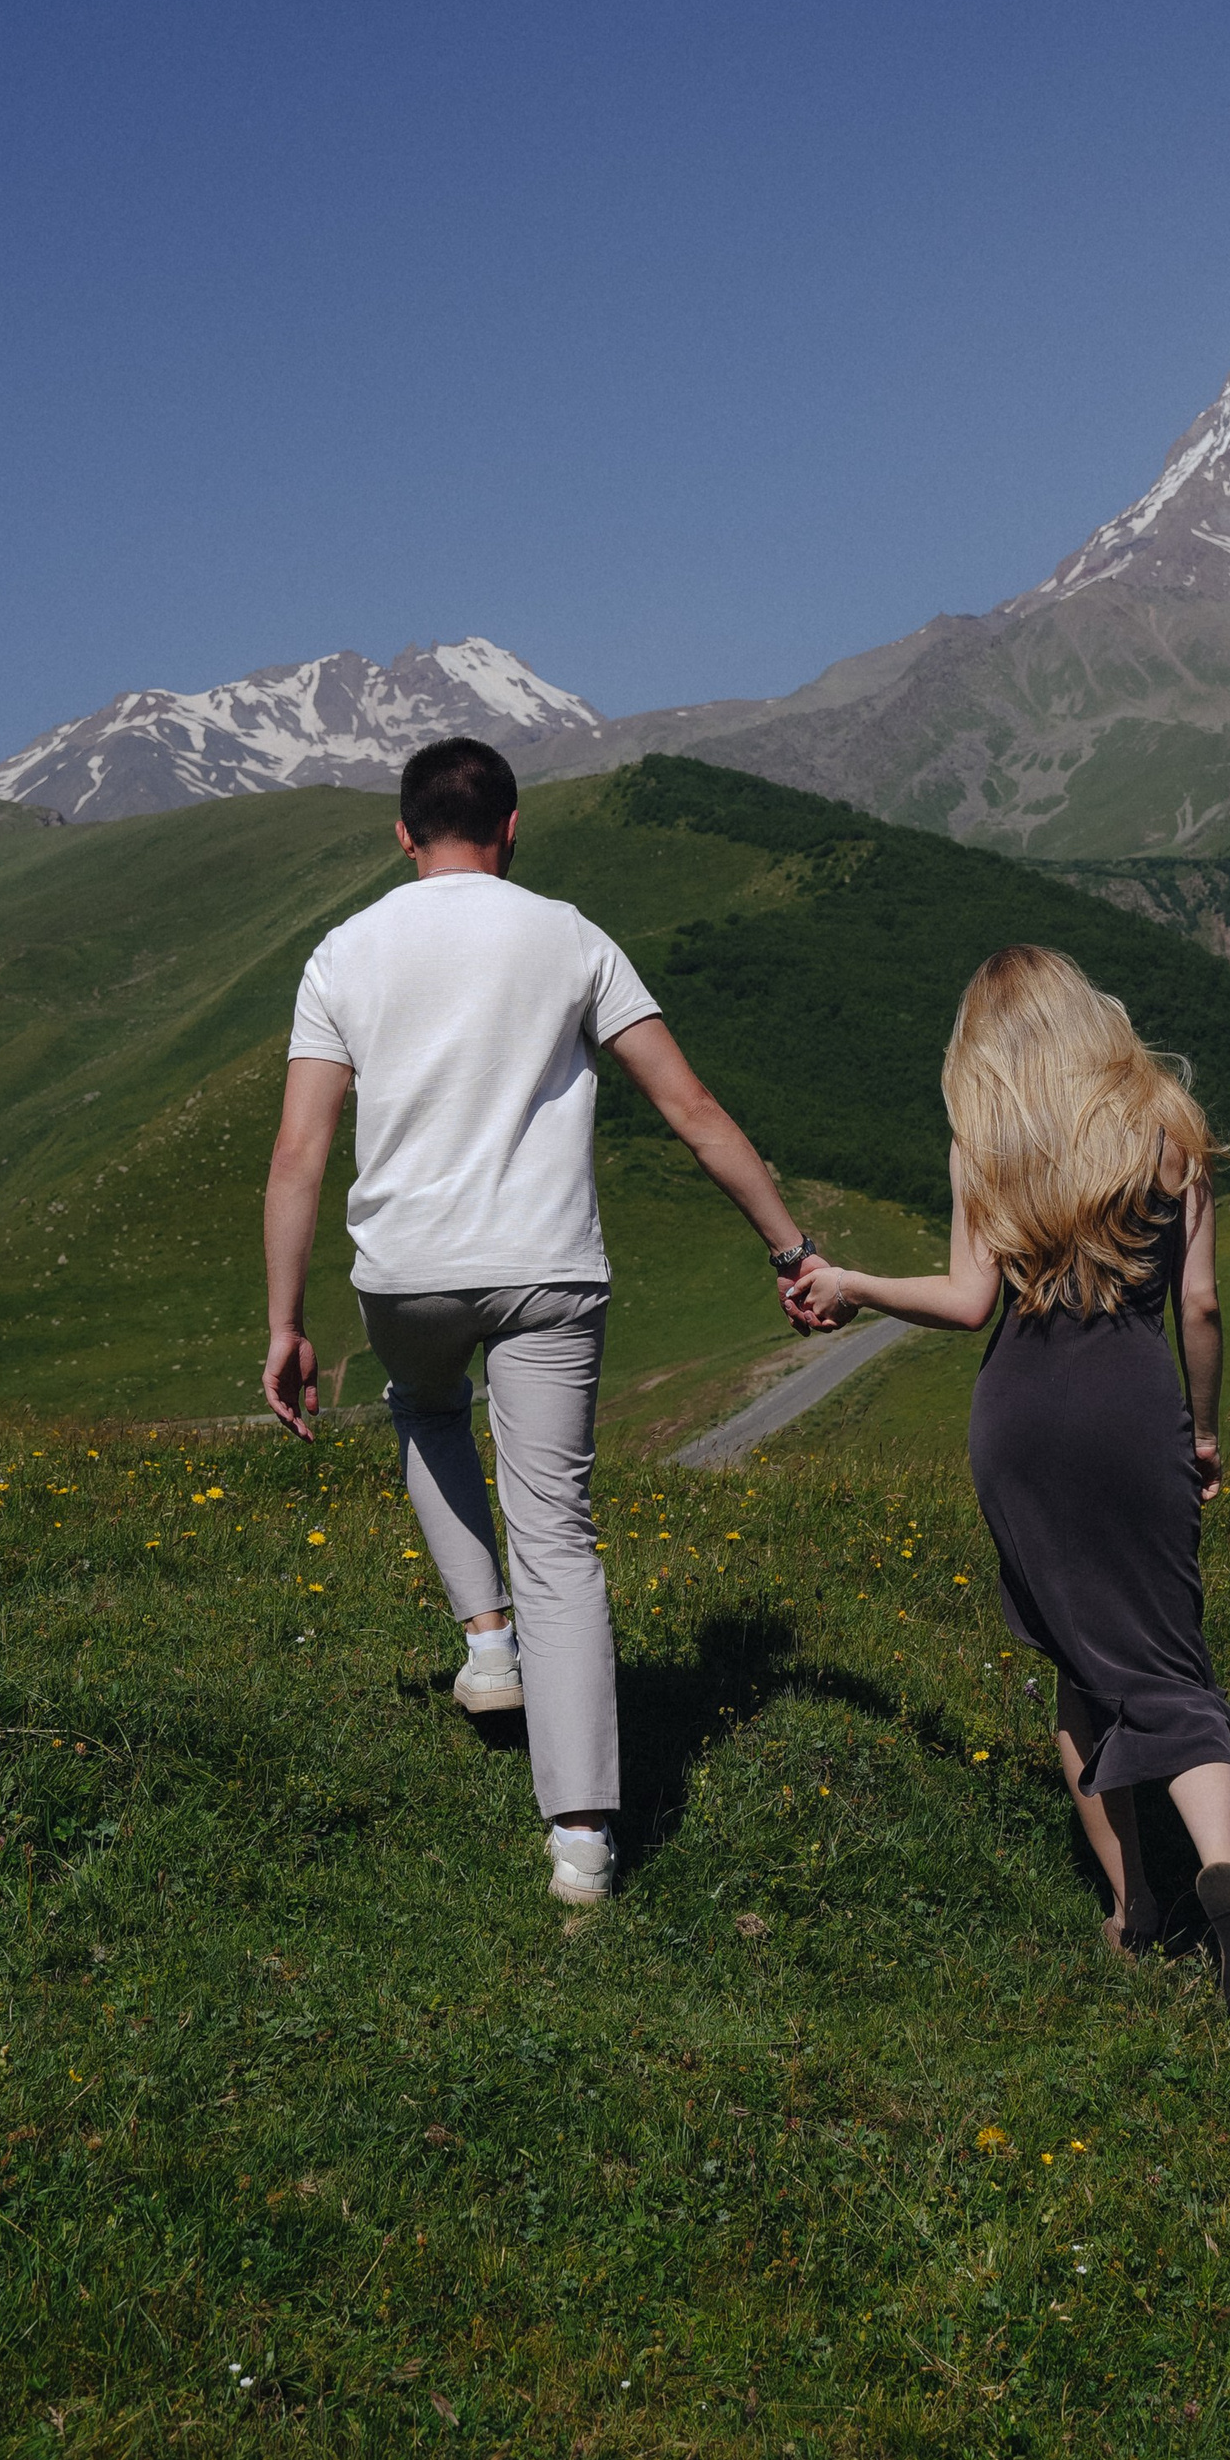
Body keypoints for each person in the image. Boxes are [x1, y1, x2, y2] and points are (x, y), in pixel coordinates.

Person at [261, 736, 821, 1905]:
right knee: (557, 1530)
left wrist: (285, 1319)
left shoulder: (344, 951)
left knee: (421, 1405)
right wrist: (790, 1246)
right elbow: (691, 1105)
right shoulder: (570, 934)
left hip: (404, 1270)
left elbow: (301, 1151)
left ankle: (481, 1643)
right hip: (549, 1271)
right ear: (512, 826)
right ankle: (580, 1844)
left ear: (402, 835)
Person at [789, 944, 1230, 2040]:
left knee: (1076, 1659)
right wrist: (1204, 1428)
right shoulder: (1167, 1124)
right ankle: (1221, 1863)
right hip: (1132, 1403)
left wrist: (852, 1283)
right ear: (1089, 1017)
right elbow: (1198, 1304)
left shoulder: (988, 1139)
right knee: (1167, 1657)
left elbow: (970, 1301)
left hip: (1017, 1420)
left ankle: (1134, 1908)